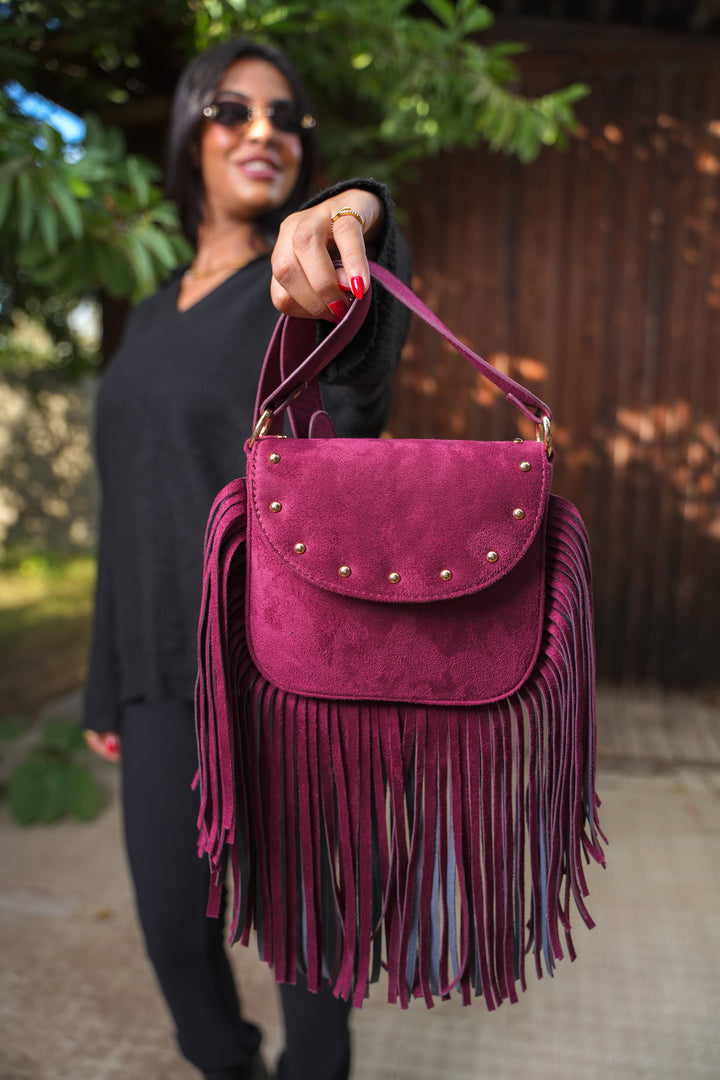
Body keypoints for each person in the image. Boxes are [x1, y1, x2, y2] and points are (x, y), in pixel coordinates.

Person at [81, 36, 410, 1080]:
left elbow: (366, 283)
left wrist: (353, 209)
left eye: (285, 117)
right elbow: (125, 507)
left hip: (283, 677)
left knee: (315, 956)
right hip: (158, 680)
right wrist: (106, 689)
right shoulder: (150, 310)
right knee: (176, 937)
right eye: (232, 109)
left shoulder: (303, 287)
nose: (262, 130)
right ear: (191, 136)